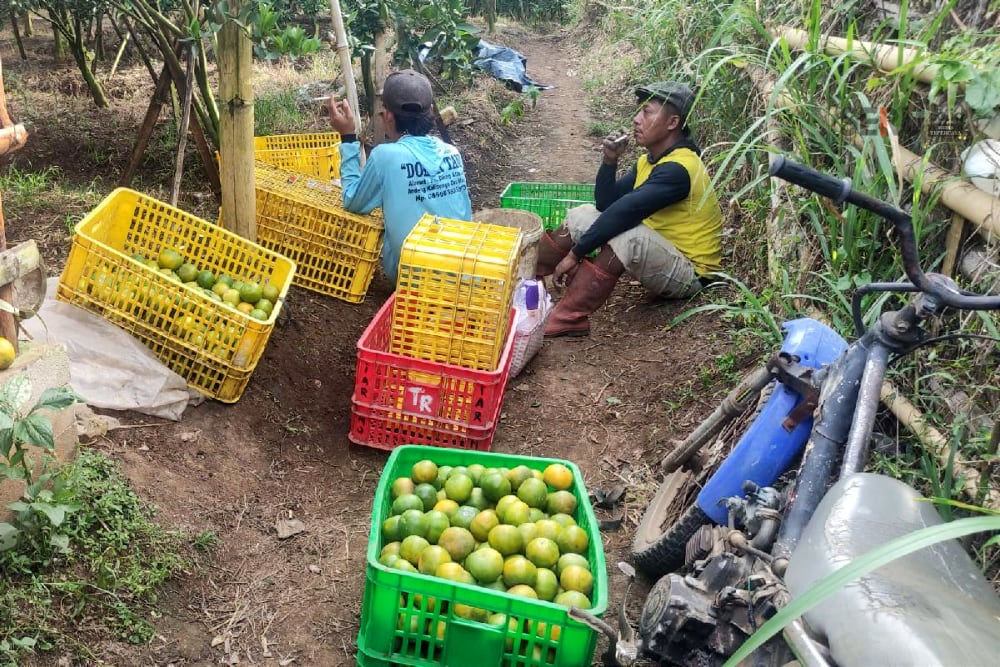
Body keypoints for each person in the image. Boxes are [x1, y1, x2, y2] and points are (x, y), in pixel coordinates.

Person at [536, 80, 723, 337]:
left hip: (689, 273)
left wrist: (575, 254)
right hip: (660, 251)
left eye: (647, 112)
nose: (637, 119)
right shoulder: (650, 162)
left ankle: (569, 317)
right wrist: (609, 161)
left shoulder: (679, 169)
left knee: (628, 236)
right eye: (639, 111)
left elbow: (625, 211)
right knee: (582, 215)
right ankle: (531, 280)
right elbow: (606, 204)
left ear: (672, 123)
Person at [328, 70, 473, 284]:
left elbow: (352, 200)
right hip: (465, 271)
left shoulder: (385, 157)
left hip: (412, 279)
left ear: (387, 116)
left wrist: (348, 136)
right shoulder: (452, 152)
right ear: (431, 112)